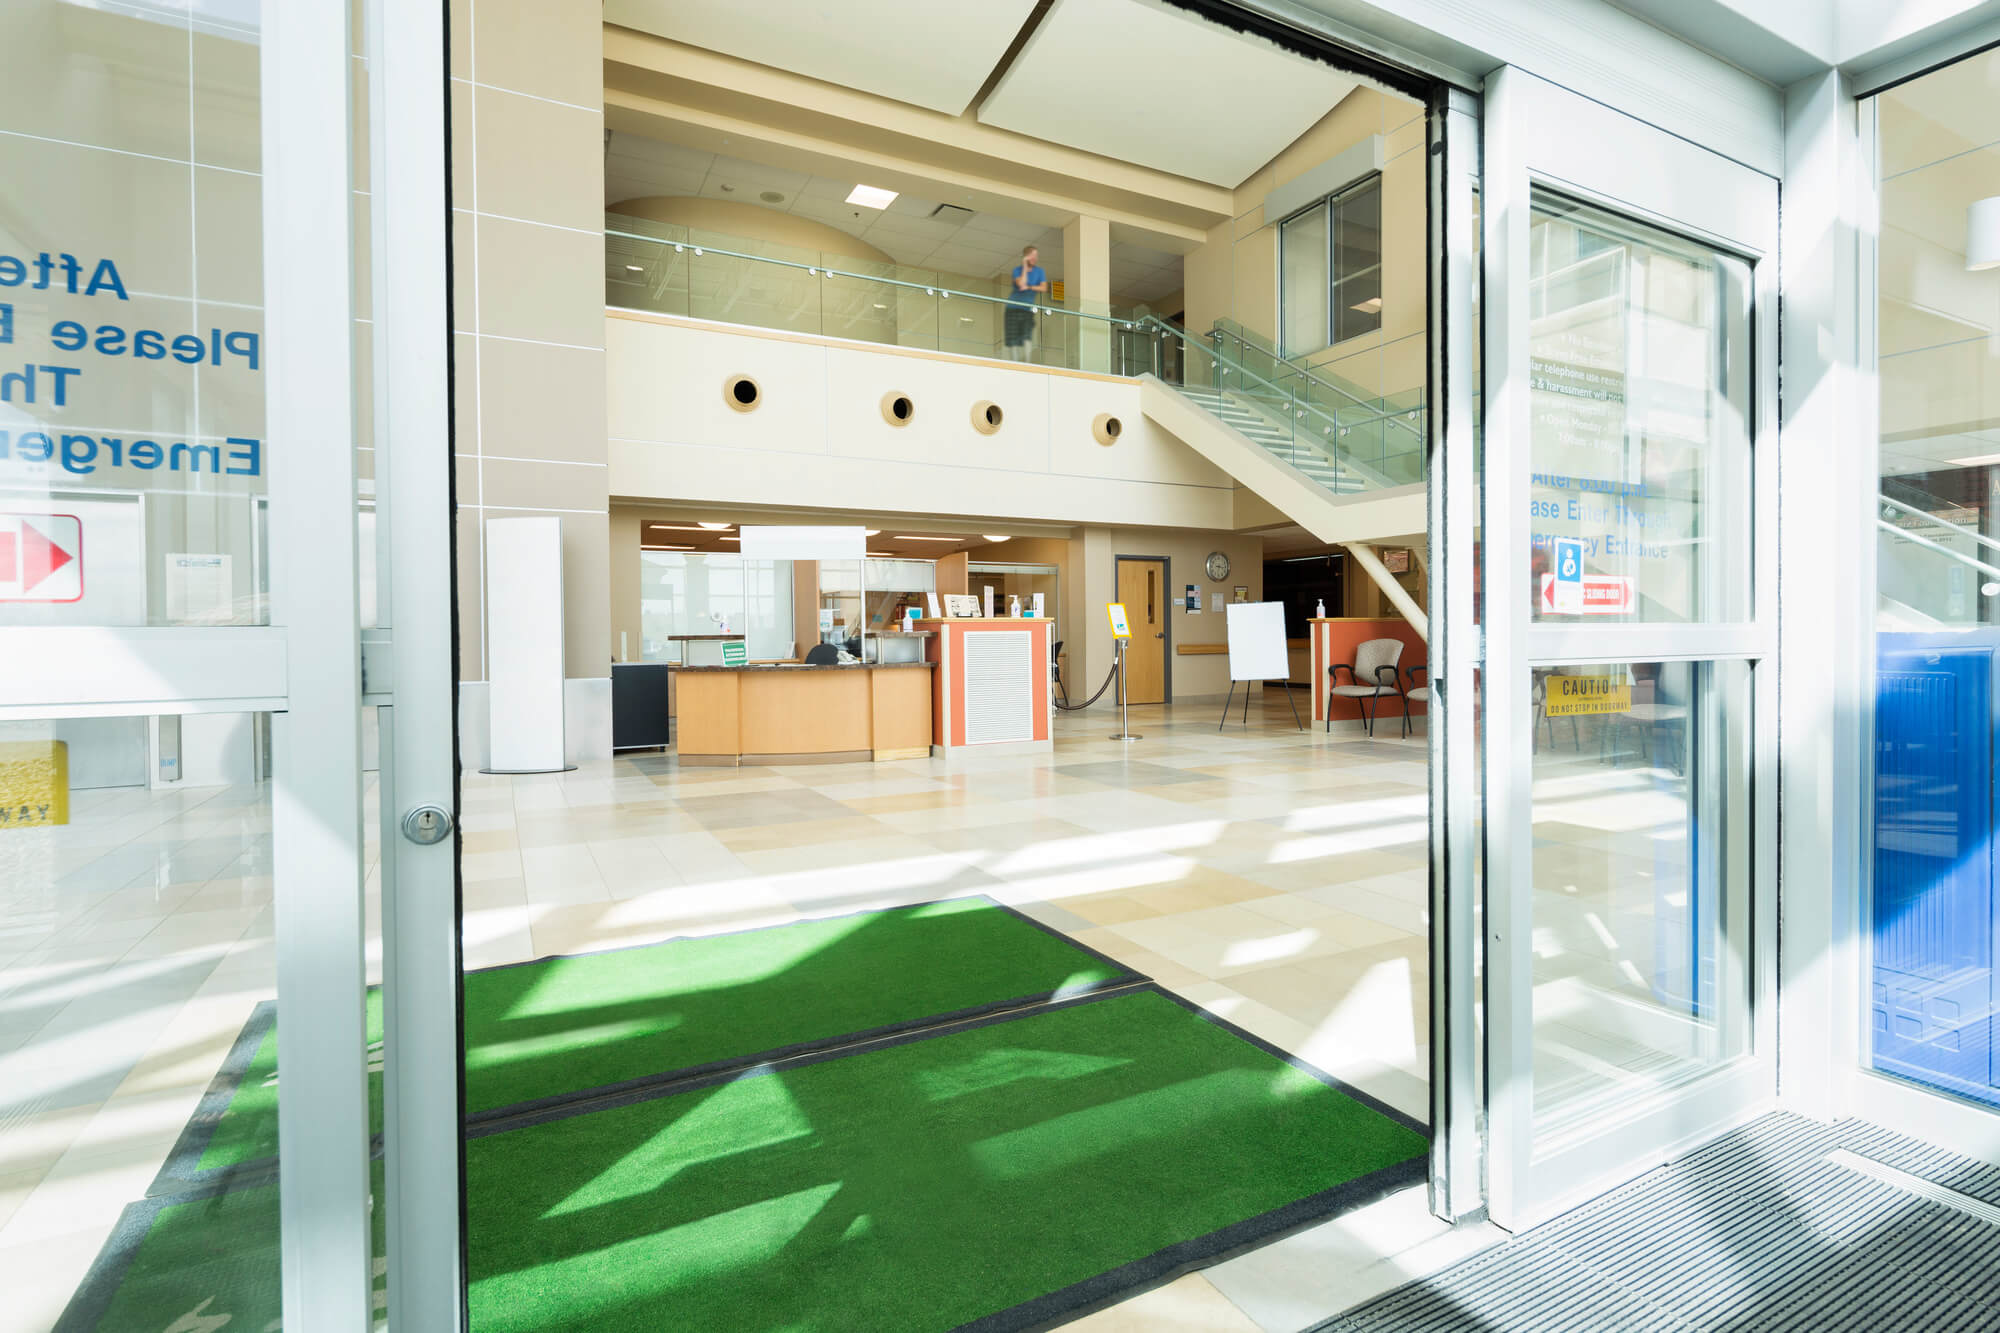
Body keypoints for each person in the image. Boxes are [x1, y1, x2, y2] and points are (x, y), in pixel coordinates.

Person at [1004, 244, 1048, 361]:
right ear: (1026, 257)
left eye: (1036, 256)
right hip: (1012, 308)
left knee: (1026, 336)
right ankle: (1015, 363)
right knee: (1012, 338)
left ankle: (1027, 364)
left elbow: (1043, 288)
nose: (1035, 258)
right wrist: (1024, 265)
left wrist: (1029, 286)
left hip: (1027, 309)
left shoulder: (1039, 271)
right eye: (1032, 256)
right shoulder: (1017, 270)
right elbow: (1020, 283)